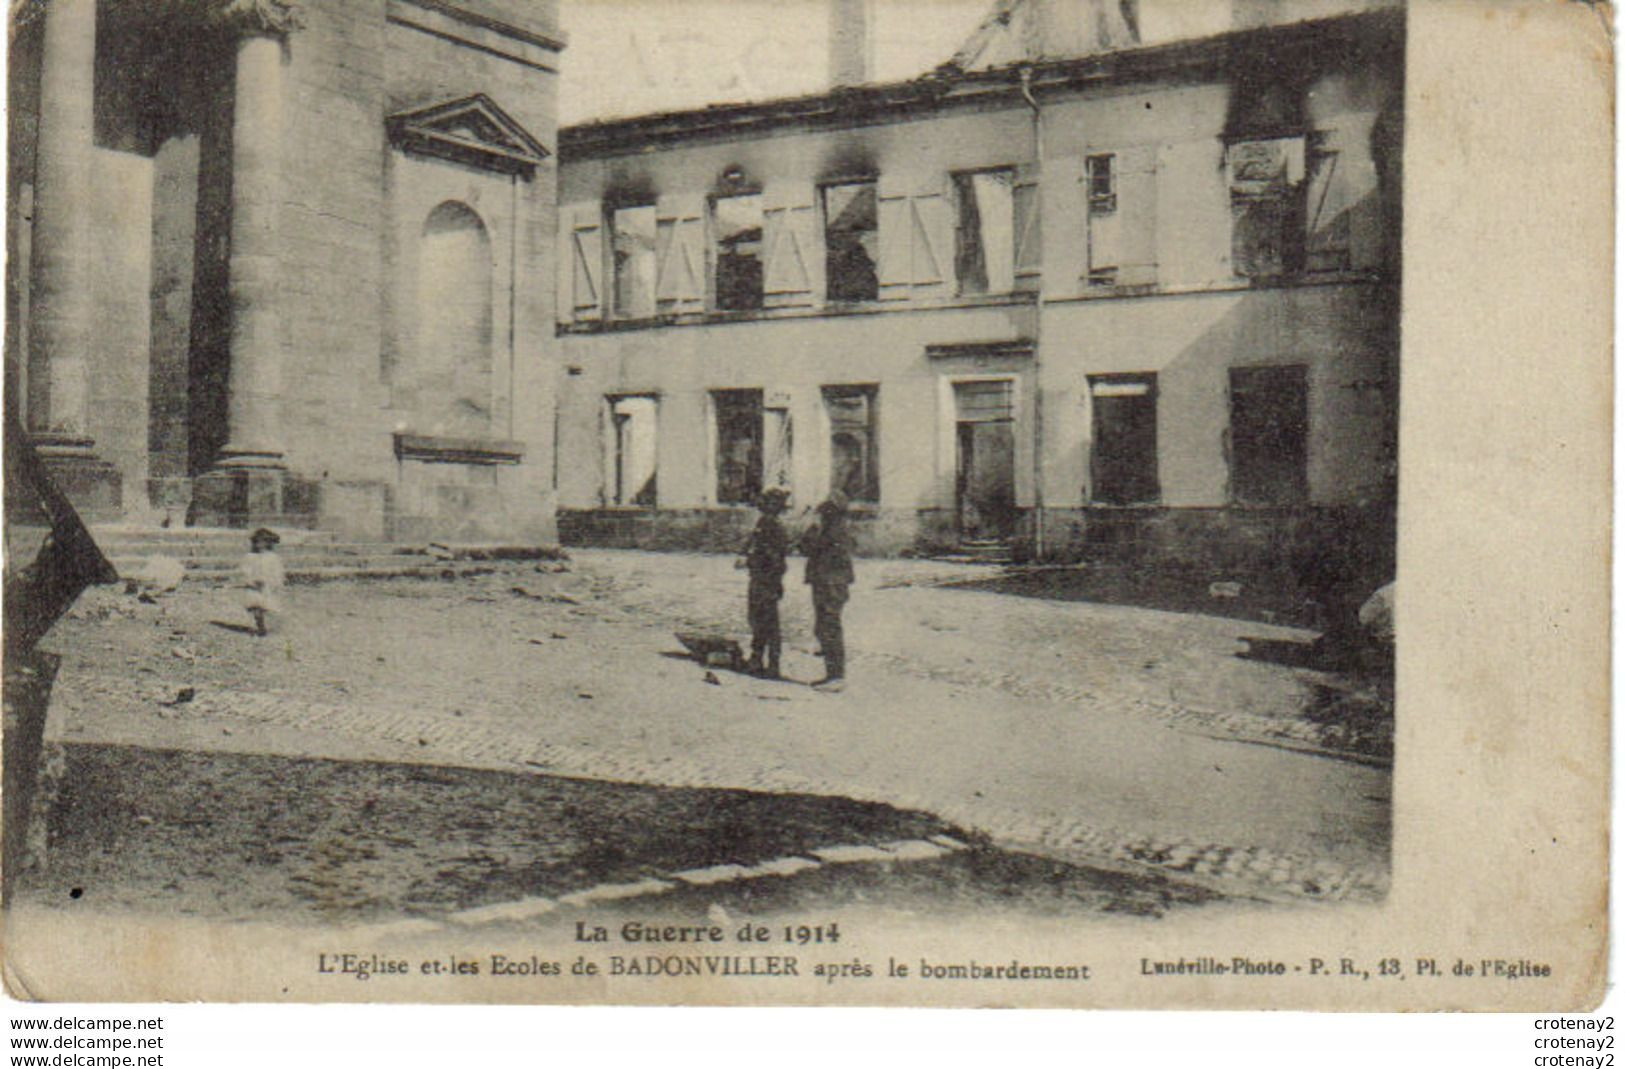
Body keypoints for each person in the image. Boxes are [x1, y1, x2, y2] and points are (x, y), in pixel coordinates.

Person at [800, 493, 854, 692]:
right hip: (828, 583)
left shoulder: (833, 532)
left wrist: (811, 529)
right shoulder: (835, 529)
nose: (822, 514)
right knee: (825, 627)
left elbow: (807, 547)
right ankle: (832, 675)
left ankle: (836, 677)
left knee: (829, 628)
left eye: (825, 511)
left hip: (830, 585)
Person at [737, 487, 790, 678]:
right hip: (761, 579)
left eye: (768, 504)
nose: (763, 507)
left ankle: (771, 663)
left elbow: (773, 557)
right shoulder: (765, 523)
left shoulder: (774, 526)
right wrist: (746, 553)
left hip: (767, 580)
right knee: (758, 620)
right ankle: (757, 660)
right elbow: (754, 542)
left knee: (768, 622)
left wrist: (749, 560)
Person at [240, 527, 285, 637]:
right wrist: (250, 580)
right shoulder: (250, 557)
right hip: (254, 585)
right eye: (256, 542)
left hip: (267, 585)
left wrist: (273, 582)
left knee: (267, 606)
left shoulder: (273, 557)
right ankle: (260, 627)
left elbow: (277, 571)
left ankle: (268, 625)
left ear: (268, 543)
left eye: (262, 542)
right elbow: (245, 570)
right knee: (255, 607)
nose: (259, 545)